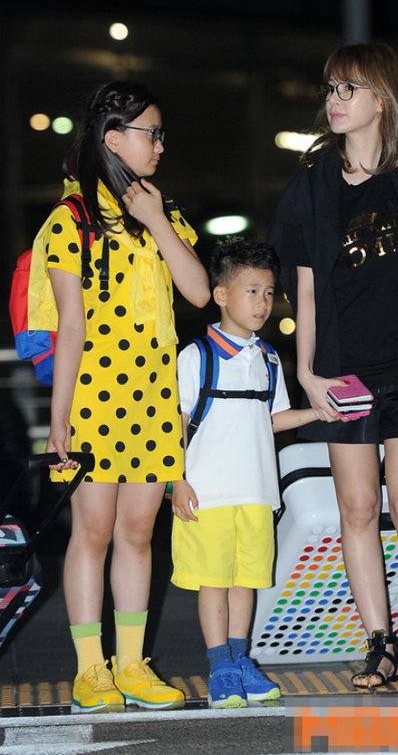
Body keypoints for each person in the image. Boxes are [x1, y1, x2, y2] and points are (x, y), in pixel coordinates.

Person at [268, 43, 398, 697]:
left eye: (348, 88)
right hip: (345, 374)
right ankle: (380, 643)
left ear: (383, 98)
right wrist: (307, 373)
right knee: (357, 507)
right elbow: (305, 289)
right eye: (330, 89)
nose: (334, 100)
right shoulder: (313, 182)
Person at [41, 81, 210, 713]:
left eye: (161, 134)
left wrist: (157, 221)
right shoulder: (71, 219)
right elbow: (71, 326)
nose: (160, 145)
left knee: (138, 534)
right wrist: (59, 419)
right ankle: (92, 669)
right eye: (151, 134)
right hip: (93, 396)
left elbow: (199, 292)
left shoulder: (162, 214)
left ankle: (133, 664)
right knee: (93, 532)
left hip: (153, 398)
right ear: (114, 139)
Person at [171, 240, 316, 708]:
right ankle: (220, 666)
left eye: (269, 293)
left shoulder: (268, 358)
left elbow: (272, 419)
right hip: (208, 493)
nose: (262, 303)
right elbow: (176, 423)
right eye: (251, 291)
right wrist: (176, 479)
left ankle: (240, 659)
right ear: (221, 295)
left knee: (246, 581)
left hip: (256, 492)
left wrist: (319, 413)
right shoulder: (197, 356)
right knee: (213, 581)